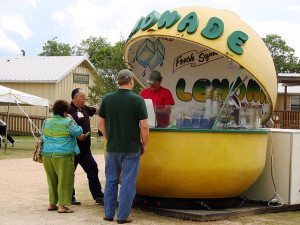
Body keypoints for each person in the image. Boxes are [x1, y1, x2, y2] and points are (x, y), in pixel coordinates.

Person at [99, 69, 149, 224]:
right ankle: (122, 216)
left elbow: (101, 124)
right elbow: (144, 126)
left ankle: (108, 214)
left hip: (113, 147)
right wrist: (145, 144)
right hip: (131, 147)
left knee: (111, 181)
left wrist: (109, 139)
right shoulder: (137, 100)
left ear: (119, 82)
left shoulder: (107, 98)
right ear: (131, 81)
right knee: (128, 182)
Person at [42, 100, 87, 213]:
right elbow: (78, 132)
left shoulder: (46, 121)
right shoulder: (67, 121)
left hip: (47, 154)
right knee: (65, 179)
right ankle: (62, 206)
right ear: (65, 111)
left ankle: (52, 203)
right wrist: (72, 119)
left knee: (52, 179)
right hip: (63, 154)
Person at [68, 88, 104, 205]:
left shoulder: (84, 108)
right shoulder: (68, 110)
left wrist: (108, 109)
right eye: (83, 97)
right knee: (69, 173)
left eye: (85, 97)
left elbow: (97, 111)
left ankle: (98, 195)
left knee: (92, 167)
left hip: (85, 149)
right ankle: (69, 196)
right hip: (72, 149)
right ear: (75, 97)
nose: (85, 99)